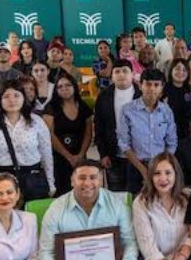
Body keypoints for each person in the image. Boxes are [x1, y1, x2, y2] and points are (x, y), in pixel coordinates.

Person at [0, 80, 55, 202]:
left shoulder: (36, 121)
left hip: (31, 178)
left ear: (23, 98)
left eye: (16, 95)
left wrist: (50, 182)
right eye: (6, 96)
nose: (12, 100)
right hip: (0, 179)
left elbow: (46, 154)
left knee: (30, 218)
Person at [118, 68, 178, 194]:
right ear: (140, 85)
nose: (152, 88)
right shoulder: (128, 110)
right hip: (136, 167)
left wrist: (160, 167)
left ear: (162, 88)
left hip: (162, 167)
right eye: (148, 84)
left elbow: (171, 142)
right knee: (135, 205)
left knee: (160, 206)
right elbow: (124, 144)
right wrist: (144, 171)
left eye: (156, 85)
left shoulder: (166, 111)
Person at [43, 73, 93, 195]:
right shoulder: (51, 107)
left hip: (80, 156)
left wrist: (81, 155)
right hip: (59, 157)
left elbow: (88, 132)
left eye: (68, 85)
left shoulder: (83, 106)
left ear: (74, 86)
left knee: (81, 190)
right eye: (60, 86)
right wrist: (69, 157)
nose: (64, 88)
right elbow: (49, 134)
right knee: (62, 192)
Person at [94, 60, 139, 193]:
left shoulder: (141, 95)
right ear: (112, 76)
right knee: (116, 196)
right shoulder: (104, 96)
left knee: (137, 196)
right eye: (117, 71)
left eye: (125, 70)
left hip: (138, 157)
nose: (121, 74)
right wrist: (103, 154)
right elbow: (99, 126)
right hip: (113, 156)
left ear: (133, 74)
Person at [164, 58, 191, 140]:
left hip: (188, 133)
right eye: (177, 69)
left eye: (184, 70)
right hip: (167, 132)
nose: (181, 72)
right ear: (171, 71)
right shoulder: (163, 89)